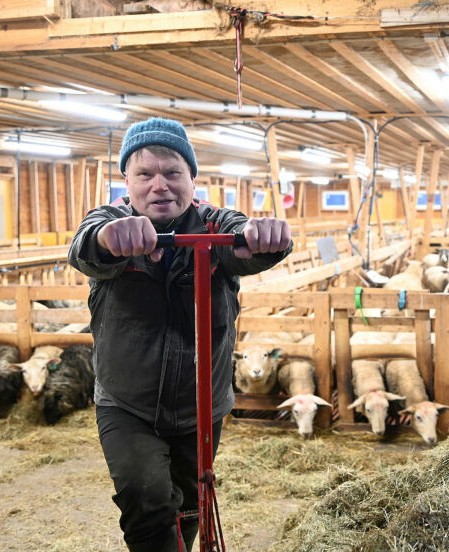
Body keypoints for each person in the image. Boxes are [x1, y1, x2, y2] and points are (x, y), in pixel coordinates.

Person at [68, 117, 291, 552]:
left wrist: (264, 237)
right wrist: (110, 239)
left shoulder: (214, 224)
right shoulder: (110, 220)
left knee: (189, 507)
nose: (160, 186)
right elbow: (85, 246)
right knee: (146, 500)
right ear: (126, 181)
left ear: (192, 177)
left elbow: (244, 239)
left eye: (172, 173)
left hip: (200, 404)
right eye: (145, 174)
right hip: (128, 403)